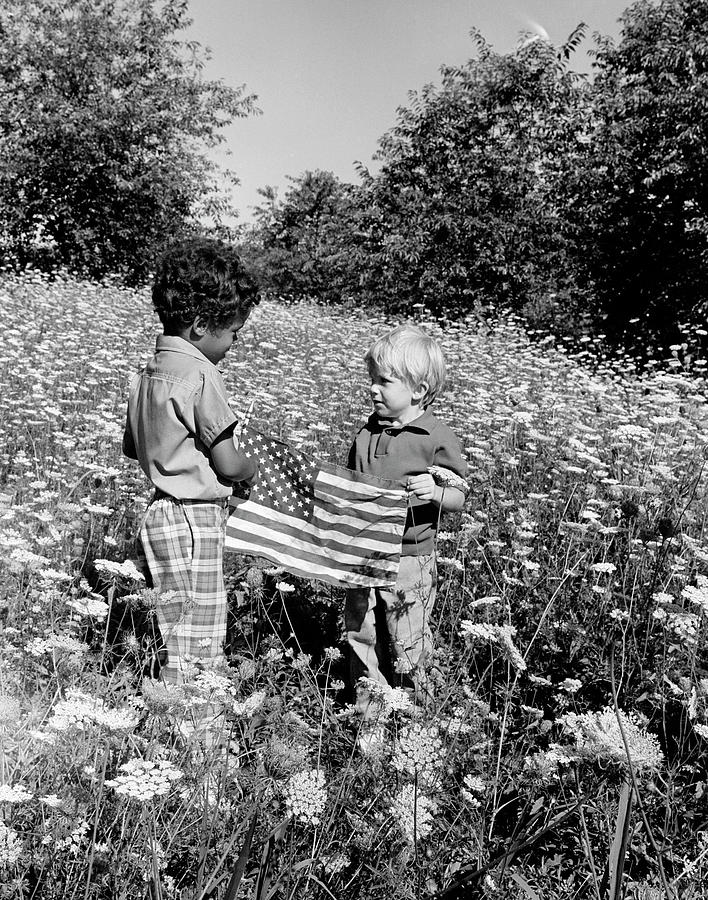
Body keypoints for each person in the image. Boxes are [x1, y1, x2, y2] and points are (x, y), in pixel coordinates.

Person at [122, 237, 259, 687]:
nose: (234, 344)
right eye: (233, 332)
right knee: (202, 630)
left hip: (158, 513)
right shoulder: (202, 373)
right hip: (194, 521)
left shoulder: (147, 374)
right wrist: (249, 469)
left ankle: (174, 715)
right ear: (202, 324)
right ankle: (200, 732)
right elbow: (226, 462)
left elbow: (133, 447)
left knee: (172, 625)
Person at [345, 324, 467, 733]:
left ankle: (420, 722)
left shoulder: (435, 437)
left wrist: (435, 491)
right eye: (372, 381)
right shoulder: (366, 433)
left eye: (384, 382)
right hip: (362, 553)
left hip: (410, 559)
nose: (373, 390)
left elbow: (458, 498)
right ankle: (369, 719)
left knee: (408, 641)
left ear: (418, 389)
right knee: (359, 632)